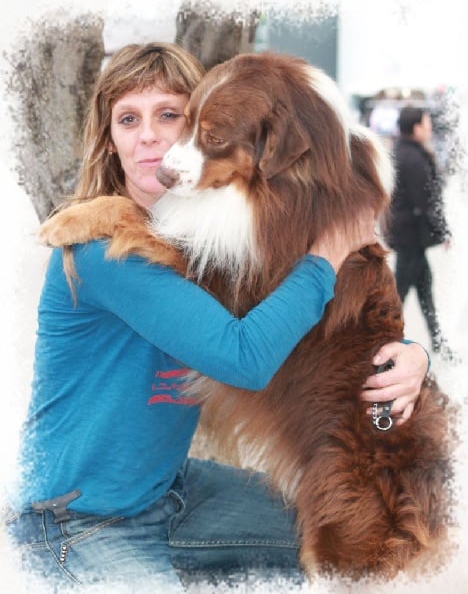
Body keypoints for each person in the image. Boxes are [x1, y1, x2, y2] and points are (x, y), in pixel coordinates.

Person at [3, 43, 429, 591]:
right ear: (109, 140)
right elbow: (244, 357)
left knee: (364, 546)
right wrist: (327, 252)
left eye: (169, 116)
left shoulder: (204, 232)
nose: (150, 136)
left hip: (168, 491)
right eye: (128, 119)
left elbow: (299, 318)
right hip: (77, 521)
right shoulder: (104, 251)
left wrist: (409, 355)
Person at [385, 105, 455, 361]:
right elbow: (426, 201)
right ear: (415, 128)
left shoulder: (401, 152)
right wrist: (443, 229)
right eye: (426, 124)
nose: (430, 128)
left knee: (424, 287)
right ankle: (381, 341)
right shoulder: (413, 158)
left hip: (407, 235)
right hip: (410, 236)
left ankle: (438, 341)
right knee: (399, 293)